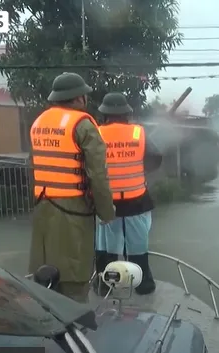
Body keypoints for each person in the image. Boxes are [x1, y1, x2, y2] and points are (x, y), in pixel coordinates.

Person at [28, 72, 115, 302]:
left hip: (43, 208)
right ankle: (76, 331)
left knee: (45, 276)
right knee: (73, 279)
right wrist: (106, 212)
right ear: (78, 98)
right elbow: (98, 174)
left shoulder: (39, 122)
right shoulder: (82, 124)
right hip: (73, 212)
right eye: (84, 95)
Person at [93, 92, 162, 296]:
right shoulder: (138, 133)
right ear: (126, 114)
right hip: (136, 200)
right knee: (138, 244)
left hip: (107, 201)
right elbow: (156, 157)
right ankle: (143, 285)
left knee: (106, 245)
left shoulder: (96, 133)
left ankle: (104, 285)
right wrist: (139, 171)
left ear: (105, 114)